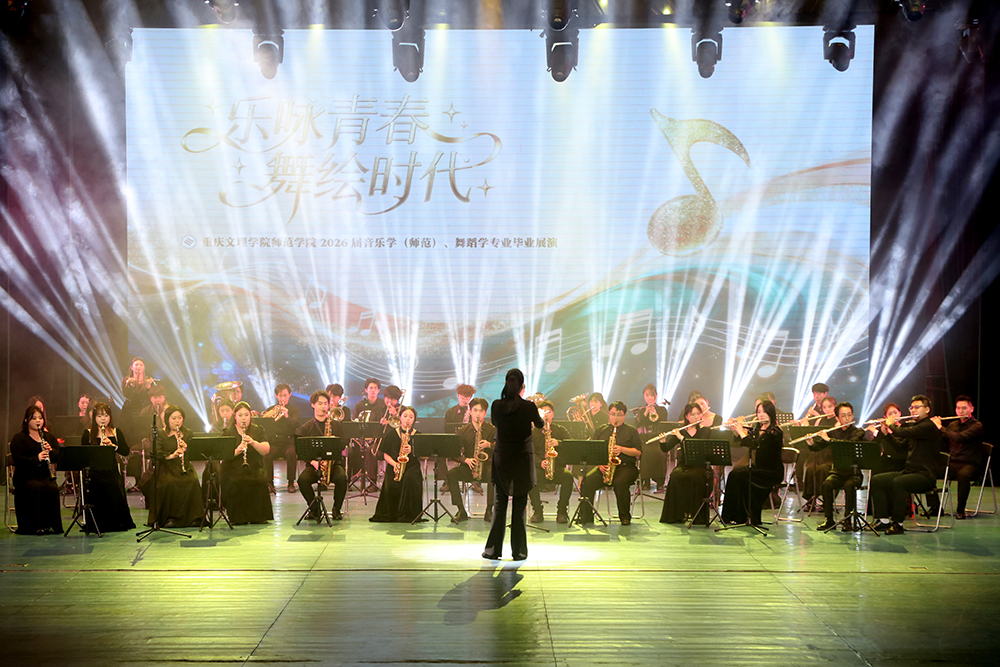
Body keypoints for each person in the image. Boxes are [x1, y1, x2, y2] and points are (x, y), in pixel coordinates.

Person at [484, 369, 544, 560]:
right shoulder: (529, 406)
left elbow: (496, 423)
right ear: (521, 386)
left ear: (506, 384)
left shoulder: (496, 405)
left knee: (499, 504)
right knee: (519, 506)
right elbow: (540, 424)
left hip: (502, 458)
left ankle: (493, 550)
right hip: (522, 460)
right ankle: (519, 551)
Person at [870, 395, 944, 535]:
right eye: (911, 408)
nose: (913, 410)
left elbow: (901, 432)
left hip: (925, 475)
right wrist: (886, 434)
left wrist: (891, 424)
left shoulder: (928, 426)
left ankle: (898, 523)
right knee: (877, 480)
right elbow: (900, 446)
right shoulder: (916, 426)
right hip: (911, 471)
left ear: (927, 409)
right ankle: (883, 520)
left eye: (917, 407)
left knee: (899, 482)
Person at [577, 401, 643, 526]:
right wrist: (599, 464)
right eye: (613, 414)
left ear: (624, 415)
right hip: (604, 467)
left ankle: (625, 517)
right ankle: (586, 516)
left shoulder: (631, 431)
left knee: (620, 483)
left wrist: (622, 449)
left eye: (619, 415)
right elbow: (592, 450)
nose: (615, 418)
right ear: (609, 414)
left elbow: (638, 451)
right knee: (586, 482)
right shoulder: (601, 430)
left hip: (626, 467)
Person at [721, 400, 784, 525]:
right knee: (734, 474)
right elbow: (747, 440)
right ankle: (730, 516)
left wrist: (742, 431)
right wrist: (736, 429)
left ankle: (742, 516)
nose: (761, 415)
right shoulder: (758, 429)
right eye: (759, 412)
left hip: (771, 471)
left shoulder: (775, 432)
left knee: (740, 476)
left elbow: (756, 445)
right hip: (759, 467)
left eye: (764, 412)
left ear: (770, 413)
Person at [142, 405, 204, 528]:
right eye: (173, 418)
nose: (177, 421)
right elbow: (156, 453)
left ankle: (193, 518)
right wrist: (172, 455)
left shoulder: (187, 433)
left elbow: (196, 452)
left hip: (184, 466)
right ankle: (169, 518)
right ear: (167, 419)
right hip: (166, 467)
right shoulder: (160, 434)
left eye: (179, 418)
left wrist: (187, 448)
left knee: (192, 481)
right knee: (169, 483)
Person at [810, 402, 866, 531]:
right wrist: (811, 443)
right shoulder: (834, 432)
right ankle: (829, 520)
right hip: (838, 472)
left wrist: (829, 440)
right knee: (826, 485)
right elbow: (818, 447)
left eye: (849, 415)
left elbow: (850, 444)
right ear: (837, 418)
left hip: (854, 472)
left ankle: (847, 520)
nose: (847, 418)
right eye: (843, 416)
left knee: (849, 486)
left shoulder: (858, 432)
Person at [80, 402, 135, 533]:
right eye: (99, 416)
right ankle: (97, 523)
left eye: (106, 415)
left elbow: (125, 451)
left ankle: (115, 522)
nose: (103, 419)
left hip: (111, 470)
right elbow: (83, 455)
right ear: (94, 417)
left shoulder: (116, 432)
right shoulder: (88, 433)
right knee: (96, 487)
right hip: (94, 472)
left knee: (113, 486)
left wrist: (113, 446)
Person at [295, 390, 348, 520]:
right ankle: (315, 509)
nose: (323, 407)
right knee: (302, 480)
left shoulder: (336, 425)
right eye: (320, 403)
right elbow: (301, 451)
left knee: (342, 478)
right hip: (315, 465)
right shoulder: (306, 428)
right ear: (313, 404)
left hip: (333, 464)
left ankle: (336, 509)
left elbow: (343, 444)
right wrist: (313, 462)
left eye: (325, 403)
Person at [9, 405, 63, 534]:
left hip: (44, 474)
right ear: (26, 420)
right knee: (36, 487)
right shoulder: (19, 438)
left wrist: (51, 451)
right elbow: (18, 459)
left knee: (52, 488)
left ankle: (50, 525)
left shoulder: (48, 437)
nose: (38, 421)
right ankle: (34, 526)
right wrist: (36, 458)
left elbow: (58, 457)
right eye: (34, 418)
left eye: (40, 418)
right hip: (25, 476)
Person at [659, 402, 714, 524]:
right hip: (684, 465)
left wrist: (681, 438)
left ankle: (697, 515)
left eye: (698, 414)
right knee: (675, 476)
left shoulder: (705, 431)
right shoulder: (681, 431)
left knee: (696, 477)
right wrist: (662, 441)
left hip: (700, 465)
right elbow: (666, 448)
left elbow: (697, 446)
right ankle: (677, 515)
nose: (696, 417)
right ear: (687, 416)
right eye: (692, 414)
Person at [221, 402, 273, 524]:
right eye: (240, 415)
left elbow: (265, 450)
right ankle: (238, 516)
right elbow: (223, 455)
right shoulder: (228, 432)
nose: (243, 418)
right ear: (235, 416)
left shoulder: (258, 429)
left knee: (257, 479)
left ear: (250, 416)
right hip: (233, 468)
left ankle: (257, 515)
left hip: (254, 467)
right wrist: (237, 451)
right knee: (236, 481)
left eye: (246, 415)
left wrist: (253, 443)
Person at [933, 395, 983, 520]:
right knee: (930, 471)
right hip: (954, 462)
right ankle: (935, 507)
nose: (961, 411)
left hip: (970, 463)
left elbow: (959, 438)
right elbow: (942, 441)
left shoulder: (977, 426)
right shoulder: (953, 425)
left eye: (964, 408)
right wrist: (933, 429)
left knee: (963, 476)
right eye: (958, 408)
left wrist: (940, 427)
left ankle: (960, 510)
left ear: (971, 409)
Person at [447, 398, 496, 523]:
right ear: (470, 411)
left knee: (494, 474)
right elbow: (452, 452)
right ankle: (461, 510)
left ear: (485, 413)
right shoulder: (463, 431)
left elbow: (503, 447)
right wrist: (465, 460)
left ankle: (489, 510)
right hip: (469, 466)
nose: (478, 414)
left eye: (481, 411)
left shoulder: (492, 430)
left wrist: (489, 445)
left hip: (487, 466)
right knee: (451, 474)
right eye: (475, 410)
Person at [370, 406, 423, 523]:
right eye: (405, 416)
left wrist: (413, 450)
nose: (408, 419)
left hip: (412, 466)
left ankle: (408, 514)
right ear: (400, 418)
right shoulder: (392, 434)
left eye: (411, 417)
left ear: (414, 419)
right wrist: (395, 464)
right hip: (395, 465)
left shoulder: (418, 435)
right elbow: (385, 455)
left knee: (410, 479)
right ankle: (392, 513)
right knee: (391, 483)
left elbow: (425, 456)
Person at [528, 401, 574, 524]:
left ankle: (562, 511)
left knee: (568, 477)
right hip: (540, 467)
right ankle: (537, 511)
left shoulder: (560, 430)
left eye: (548, 412)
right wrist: (540, 462)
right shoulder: (533, 432)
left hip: (557, 466)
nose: (546, 415)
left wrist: (559, 443)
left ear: (553, 414)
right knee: (530, 478)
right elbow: (529, 452)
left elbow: (572, 446)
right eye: (543, 412)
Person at [261, 383, 301, 493]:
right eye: (280, 395)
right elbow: (265, 427)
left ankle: (291, 483)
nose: (283, 398)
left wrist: (287, 416)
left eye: (285, 395)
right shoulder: (271, 410)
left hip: (288, 441)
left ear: (290, 395)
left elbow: (296, 424)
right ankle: (270, 483)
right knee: (267, 454)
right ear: (276, 396)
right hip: (275, 441)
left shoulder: (294, 410)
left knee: (291, 453)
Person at [800, 395, 838, 505]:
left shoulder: (837, 422)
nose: (827, 410)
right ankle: (811, 499)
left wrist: (826, 437)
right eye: (824, 407)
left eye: (830, 407)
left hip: (831, 455)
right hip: (819, 453)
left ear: (834, 407)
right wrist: (806, 427)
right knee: (810, 468)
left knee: (822, 469)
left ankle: (826, 499)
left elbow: (834, 440)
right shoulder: (819, 420)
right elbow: (816, 439)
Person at [353, 378, 387, 492]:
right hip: (361, 439)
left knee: (371, 451)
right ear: (366, 390)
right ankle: (349, 479)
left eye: (375, 388)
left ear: (378, 390)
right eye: (370, 388)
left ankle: (372, 482)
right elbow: (354, 422)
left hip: (378, 440)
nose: (373, 390)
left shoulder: (383, 405)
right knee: (351, 450)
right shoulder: (359, 405)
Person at [634, 383, 669, 490]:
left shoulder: (662, 410)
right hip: (644, 439)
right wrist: (646, 413)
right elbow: (638, 424)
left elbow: (662, 423)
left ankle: (660, 482)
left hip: (658, 439)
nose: (650, 398)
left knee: (660, 453)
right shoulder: (640, 410)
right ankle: (645, 481)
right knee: (645, 453)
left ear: (656, 396)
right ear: (644, 396)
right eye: (647, 395)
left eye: (652, 395)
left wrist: (655, 412)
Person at [865, 403, 909, 475]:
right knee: (875, 471)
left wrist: (877, 432)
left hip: (900, 461)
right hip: (887, 460)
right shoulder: (883, 429)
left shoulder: (905, 428)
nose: (893, 416)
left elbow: (899, 445)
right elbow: (875, 444)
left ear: (900, 413)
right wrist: (879, 431)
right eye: (890, 414)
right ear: (885, 417)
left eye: (895, 413)